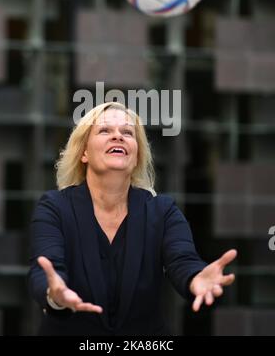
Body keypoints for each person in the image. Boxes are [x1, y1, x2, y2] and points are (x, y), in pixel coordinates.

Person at [28, 101, 237, 336]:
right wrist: (55, 296)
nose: (118, 136)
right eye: (105, 130)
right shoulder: (54, 207)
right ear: (84, 152)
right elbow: (46, 269)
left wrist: (195, 277)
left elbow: (182, 259)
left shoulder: (162, 210)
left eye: (127, 132)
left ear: (137, 155)